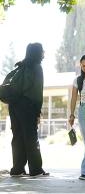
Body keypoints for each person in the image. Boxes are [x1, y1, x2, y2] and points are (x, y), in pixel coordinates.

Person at [8, 43, 49, 177]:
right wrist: (38, 112)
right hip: (28, 106)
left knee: (17, 136)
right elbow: (37, 92)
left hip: (13, 105)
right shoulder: (37, 68)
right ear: (38, 52)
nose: (44, 53)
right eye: (42, 51)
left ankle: (17, 169)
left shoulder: (21, 66)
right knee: (31, 137)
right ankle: (36, 169)